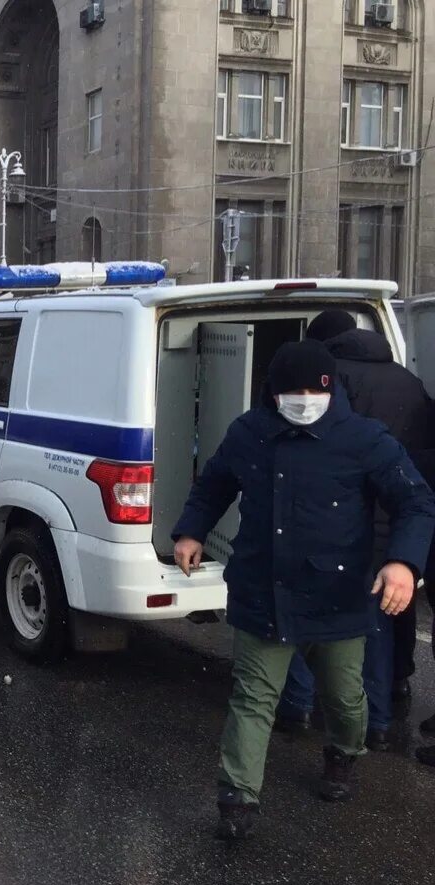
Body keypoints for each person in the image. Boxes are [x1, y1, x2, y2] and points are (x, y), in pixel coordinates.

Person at [171, 339, 435, 843]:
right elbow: (214, 485)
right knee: (252, 698)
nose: (302, 400)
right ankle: (237, 799)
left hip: (337, 596)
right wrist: (190, 530)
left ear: (330, 389)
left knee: (344, 701)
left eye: (311, 391)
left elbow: (416, 501)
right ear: (272, 394)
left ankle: (342, 754)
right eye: (289, 392)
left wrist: (403, 562)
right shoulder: (250, 433)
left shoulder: (364, 439)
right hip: (262, 593)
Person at [277, 309, 434, 751]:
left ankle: (301, 705)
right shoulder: (407, 379)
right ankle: (382, 715)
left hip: (345, 517)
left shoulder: (331, 382)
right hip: (398, 520)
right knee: (384, 616)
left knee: (312, 614)